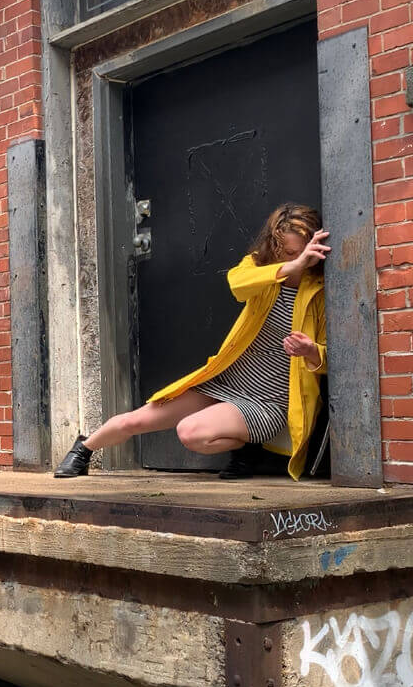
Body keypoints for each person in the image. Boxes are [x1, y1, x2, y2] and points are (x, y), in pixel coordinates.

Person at [54, 203, 329, 481]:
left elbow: (331, 358)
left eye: (304, 252)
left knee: (190, 432)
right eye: (290, 253)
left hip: (268, 401)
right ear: (276, 248)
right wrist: (290, 266)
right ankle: (83, 449)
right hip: (225, 382)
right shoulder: (261, 269)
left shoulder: (321, 292)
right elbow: (238, 284)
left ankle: (245, 446)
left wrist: (310, 351)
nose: (301, 259)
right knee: (136, 420)